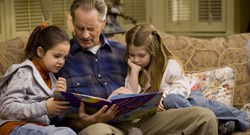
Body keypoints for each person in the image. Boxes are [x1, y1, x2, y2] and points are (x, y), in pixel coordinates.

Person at [54, 0, 219, 135]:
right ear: (72, 23)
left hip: (141, 122)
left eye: (91, 28)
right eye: (79, 28)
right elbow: (56, 114)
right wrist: (83, 121)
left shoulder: (124, 52)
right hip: (101, 126)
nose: (84, 34)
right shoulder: (61, 58)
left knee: (205, 117)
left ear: (103, 23)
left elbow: (156, 75)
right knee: (96, 133)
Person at [124, 23, 250, 134]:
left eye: (141, 55)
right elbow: (132, 97)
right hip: (169, 107)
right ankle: (217, 124)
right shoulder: (135, 68)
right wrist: (134, 72)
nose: (135, 59)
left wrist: (161, 97)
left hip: (187, 93)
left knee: (186, 102)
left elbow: (182, 88)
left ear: (153, 52)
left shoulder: (169, 65)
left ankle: (242, 117)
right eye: (132, 55)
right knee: (171, 102)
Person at [0, 24, 76, 135]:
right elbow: (6, 109)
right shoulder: (24, 73)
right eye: (57, 56)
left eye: (64, 57)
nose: (61, 62)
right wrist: (45, 107)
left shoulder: (52, 79)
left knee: (67, 131)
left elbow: (46, 117)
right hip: (14, 126)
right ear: (40, 52)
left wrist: (58, 99)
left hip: (38, 128)